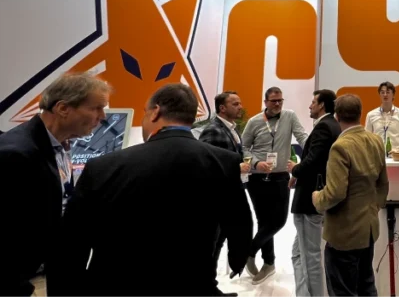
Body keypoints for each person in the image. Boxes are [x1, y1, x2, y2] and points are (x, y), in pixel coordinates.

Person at [48, 83, 252, 297]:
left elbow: (72, 244)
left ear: (155, 112)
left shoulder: (104, 166)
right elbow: (240, 223)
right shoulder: (224, 162)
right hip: (191, 285)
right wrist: (237, 260)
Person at [0, 73, 110, 297]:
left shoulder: (59, 145)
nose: (103, 117)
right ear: (62, 108)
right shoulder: (17, 154)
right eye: (96, 108)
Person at [312, 94, 388, 297]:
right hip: (369, 229)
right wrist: (374, 207)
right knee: (366, 285)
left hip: (345, 233)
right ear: (360, 114)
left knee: (343, 290)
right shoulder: (376, 141)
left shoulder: (340, 147)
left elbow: (335, 193)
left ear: (336, 116)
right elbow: (383, 184)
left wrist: (317, 198)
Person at [242, 86, 308, 282]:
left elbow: (302, 136)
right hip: (257, 179)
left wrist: (313, 154)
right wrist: (255, 163)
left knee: (278, 221)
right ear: (266, 103)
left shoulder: (289, 116)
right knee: (264, 222)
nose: (278, 104)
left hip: (280, 177)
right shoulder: (254, 122)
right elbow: (244, 147)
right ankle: (269, 263)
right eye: (274, 101)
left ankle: (249, 250)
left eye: (280, 100)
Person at [289, 89, 341, 297]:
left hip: (310, 201)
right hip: (314, 198)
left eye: (313, 102)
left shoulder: (324, 127)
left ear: (321, 105)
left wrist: (294, 169)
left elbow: (314, 161)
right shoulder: (332, 126)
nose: (310, 106)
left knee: (310, 256)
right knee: (298, 254)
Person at [199, 91, 251, 297]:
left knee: (218, 243)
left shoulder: (230, 129)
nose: (240, 106)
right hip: (216, 199)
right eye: (235, 103)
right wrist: (237, 169)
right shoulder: (213, 130)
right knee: (210, 245)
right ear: (222, 108)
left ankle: (210, 286)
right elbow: (208, 165)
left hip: (227, 196)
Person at [365, 81, 399, 156]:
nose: (385, 95)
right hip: (377, 157)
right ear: (379, 95)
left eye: (388, 92)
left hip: (396, 159)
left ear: (393, 95)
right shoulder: (371, 115)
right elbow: (366, 140)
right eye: (382, 92)